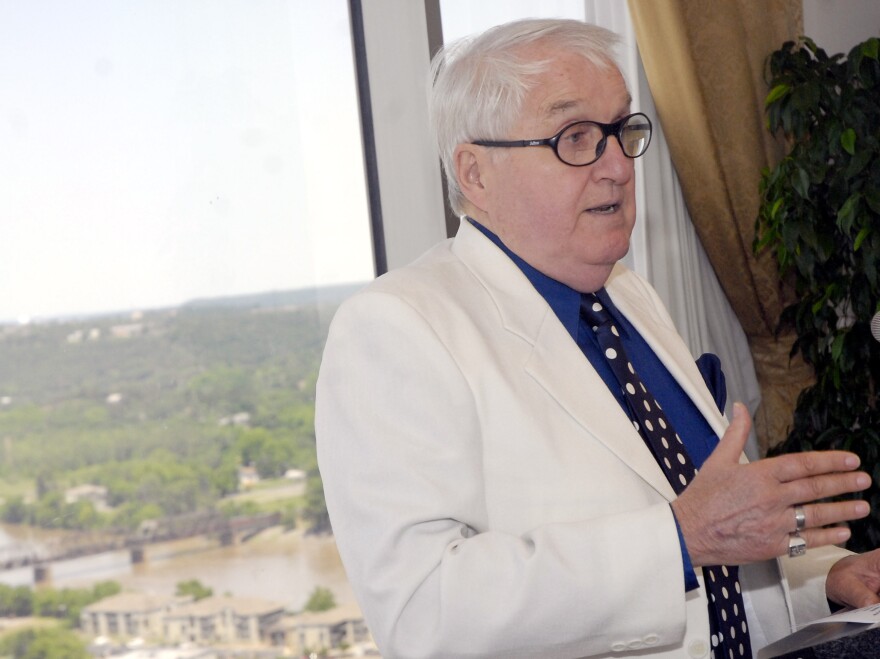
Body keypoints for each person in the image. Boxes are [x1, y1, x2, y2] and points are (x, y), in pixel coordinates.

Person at [315, 18, 880, 659]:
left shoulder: (630, 296)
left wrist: (826, 578)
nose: (617, 165)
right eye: (575, 137)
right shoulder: (397, 327)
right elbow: (425, 614)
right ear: (475, 173)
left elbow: (718, 546)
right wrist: (676, 540)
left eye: (621, 131)